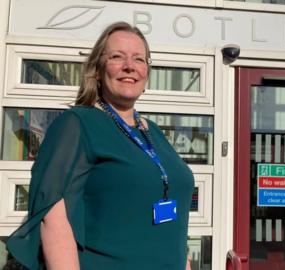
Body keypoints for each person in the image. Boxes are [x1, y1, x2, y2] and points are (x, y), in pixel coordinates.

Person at [6, 21, 194, 270]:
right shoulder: (77, 124)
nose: (130, 66)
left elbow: (174, 223)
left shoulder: (153, 132)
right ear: (97, 68)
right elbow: (53, 217)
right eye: (118, 56)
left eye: (139, 59)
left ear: (147, 71)